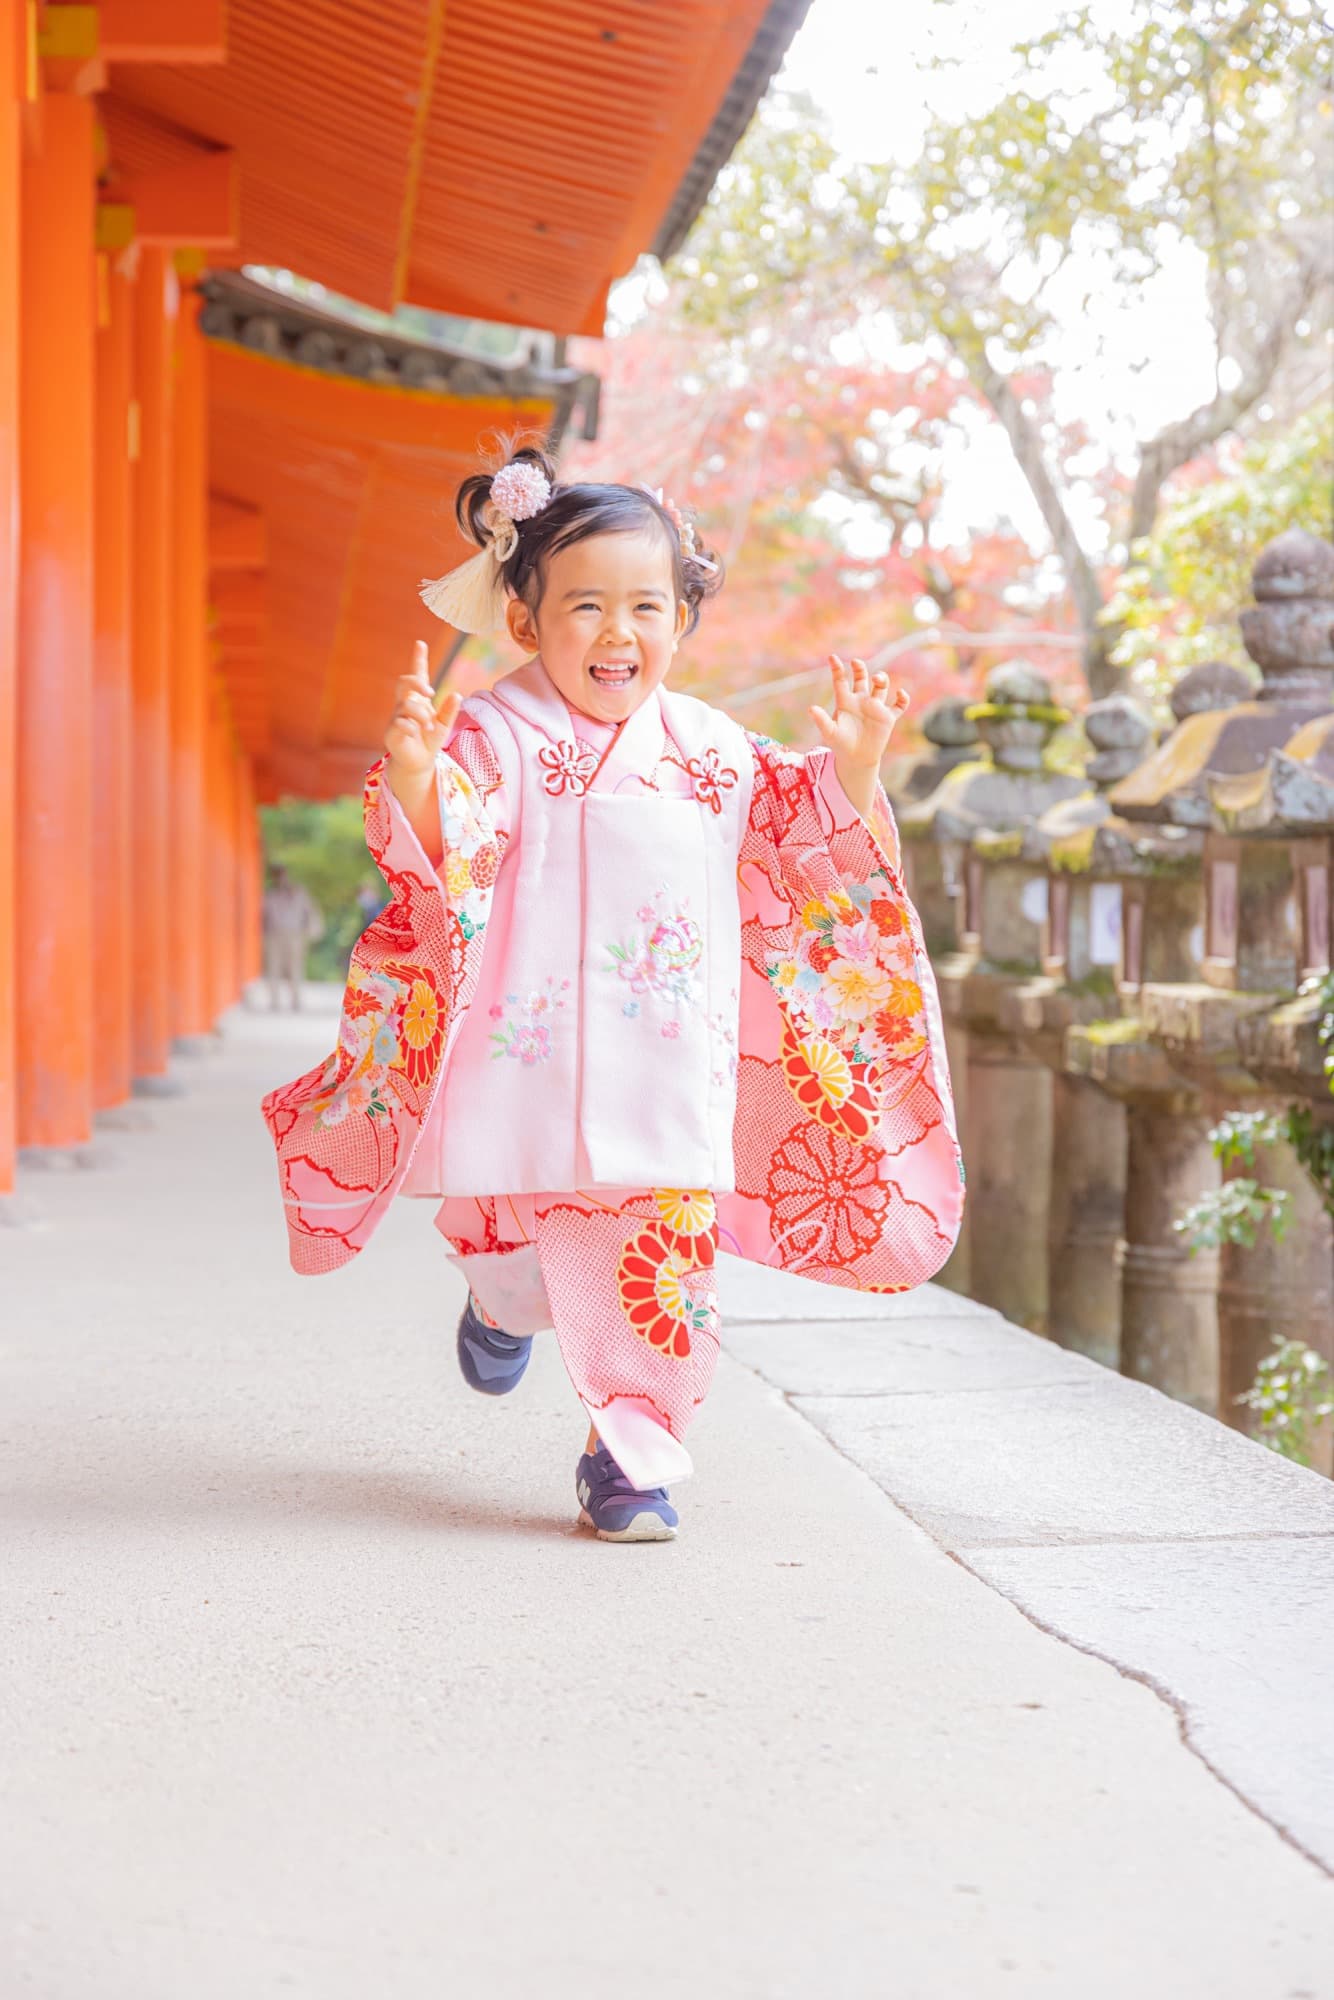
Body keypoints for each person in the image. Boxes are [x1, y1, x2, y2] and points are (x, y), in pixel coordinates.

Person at [262, 444, 962, 1543]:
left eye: (646, 604)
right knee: (511, 1249)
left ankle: (627, 1459)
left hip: (666, 1071)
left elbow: (802, 848)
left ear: (681, 620)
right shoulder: (499, 731)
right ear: (526, 620)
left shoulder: (715, 751)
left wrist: (856, 771)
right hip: (521, 1062)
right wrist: (414, 777)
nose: (617, 631)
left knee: (655, 1268)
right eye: (584, 605)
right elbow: (453, 843)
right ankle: (498, 1303)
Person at [261, 865, 323, 1012]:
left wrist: (311, 932)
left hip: (295, 934)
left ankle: (296, 999)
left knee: (295, 967)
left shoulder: (299, 893)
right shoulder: (269, 895)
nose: (281, 879)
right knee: (273, 967)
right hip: (274, 934)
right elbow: (263, 915)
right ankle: (274, 1000)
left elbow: (310, 912)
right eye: (277, 875)